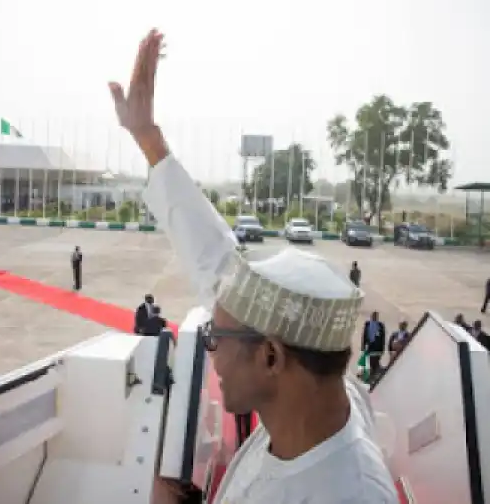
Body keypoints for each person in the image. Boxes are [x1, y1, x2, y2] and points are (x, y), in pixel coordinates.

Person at [109, 29, 396, 504]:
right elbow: (219, 269)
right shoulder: (324, 405)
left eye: (214, 339)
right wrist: (148, 138)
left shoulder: (349, 494)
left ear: (270, 357)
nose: (211, 355)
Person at [361, 311, 386, 378]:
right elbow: (364, 335)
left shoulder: (380, 325)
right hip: (369, 346)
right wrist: (363, 346)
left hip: (377, 347)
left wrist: (382, 348)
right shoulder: (367, 324)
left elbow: (383, 337)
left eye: (376, 316)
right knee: (369, 361)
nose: (374, 317)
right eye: (373, 316)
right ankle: (368, 374)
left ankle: (373, 374)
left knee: (375, 361)